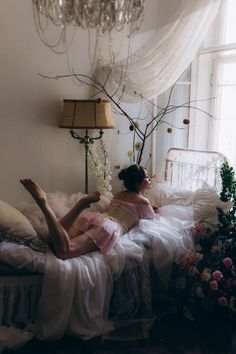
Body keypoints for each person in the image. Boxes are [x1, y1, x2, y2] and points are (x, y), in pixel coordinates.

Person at [20, 164, 157, 260]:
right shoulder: (143, 202)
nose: (149, 179)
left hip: (94, 217)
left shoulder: (119, 195)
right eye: (147, 177)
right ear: (139, 183)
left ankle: (81, 205)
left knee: (51, 241)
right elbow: (151, 218)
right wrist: (154, 208)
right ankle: (44, 204)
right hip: (108, 227)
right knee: (65, 251)